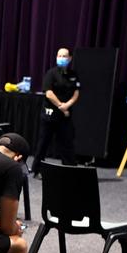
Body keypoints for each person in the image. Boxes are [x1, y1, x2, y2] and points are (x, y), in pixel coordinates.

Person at [30, 47, 80, 176]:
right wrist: (60, 106)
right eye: (59, 56)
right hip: (50, 115)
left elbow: (76, 93)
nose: (62, 58)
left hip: (65, 115)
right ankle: (37, 169)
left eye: (64, 56)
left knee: (67, 142)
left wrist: (67, 105)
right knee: (44, 142)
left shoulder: (73, 75)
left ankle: (70, 169)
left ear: (69, 58)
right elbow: (48, 93)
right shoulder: (51, 73)